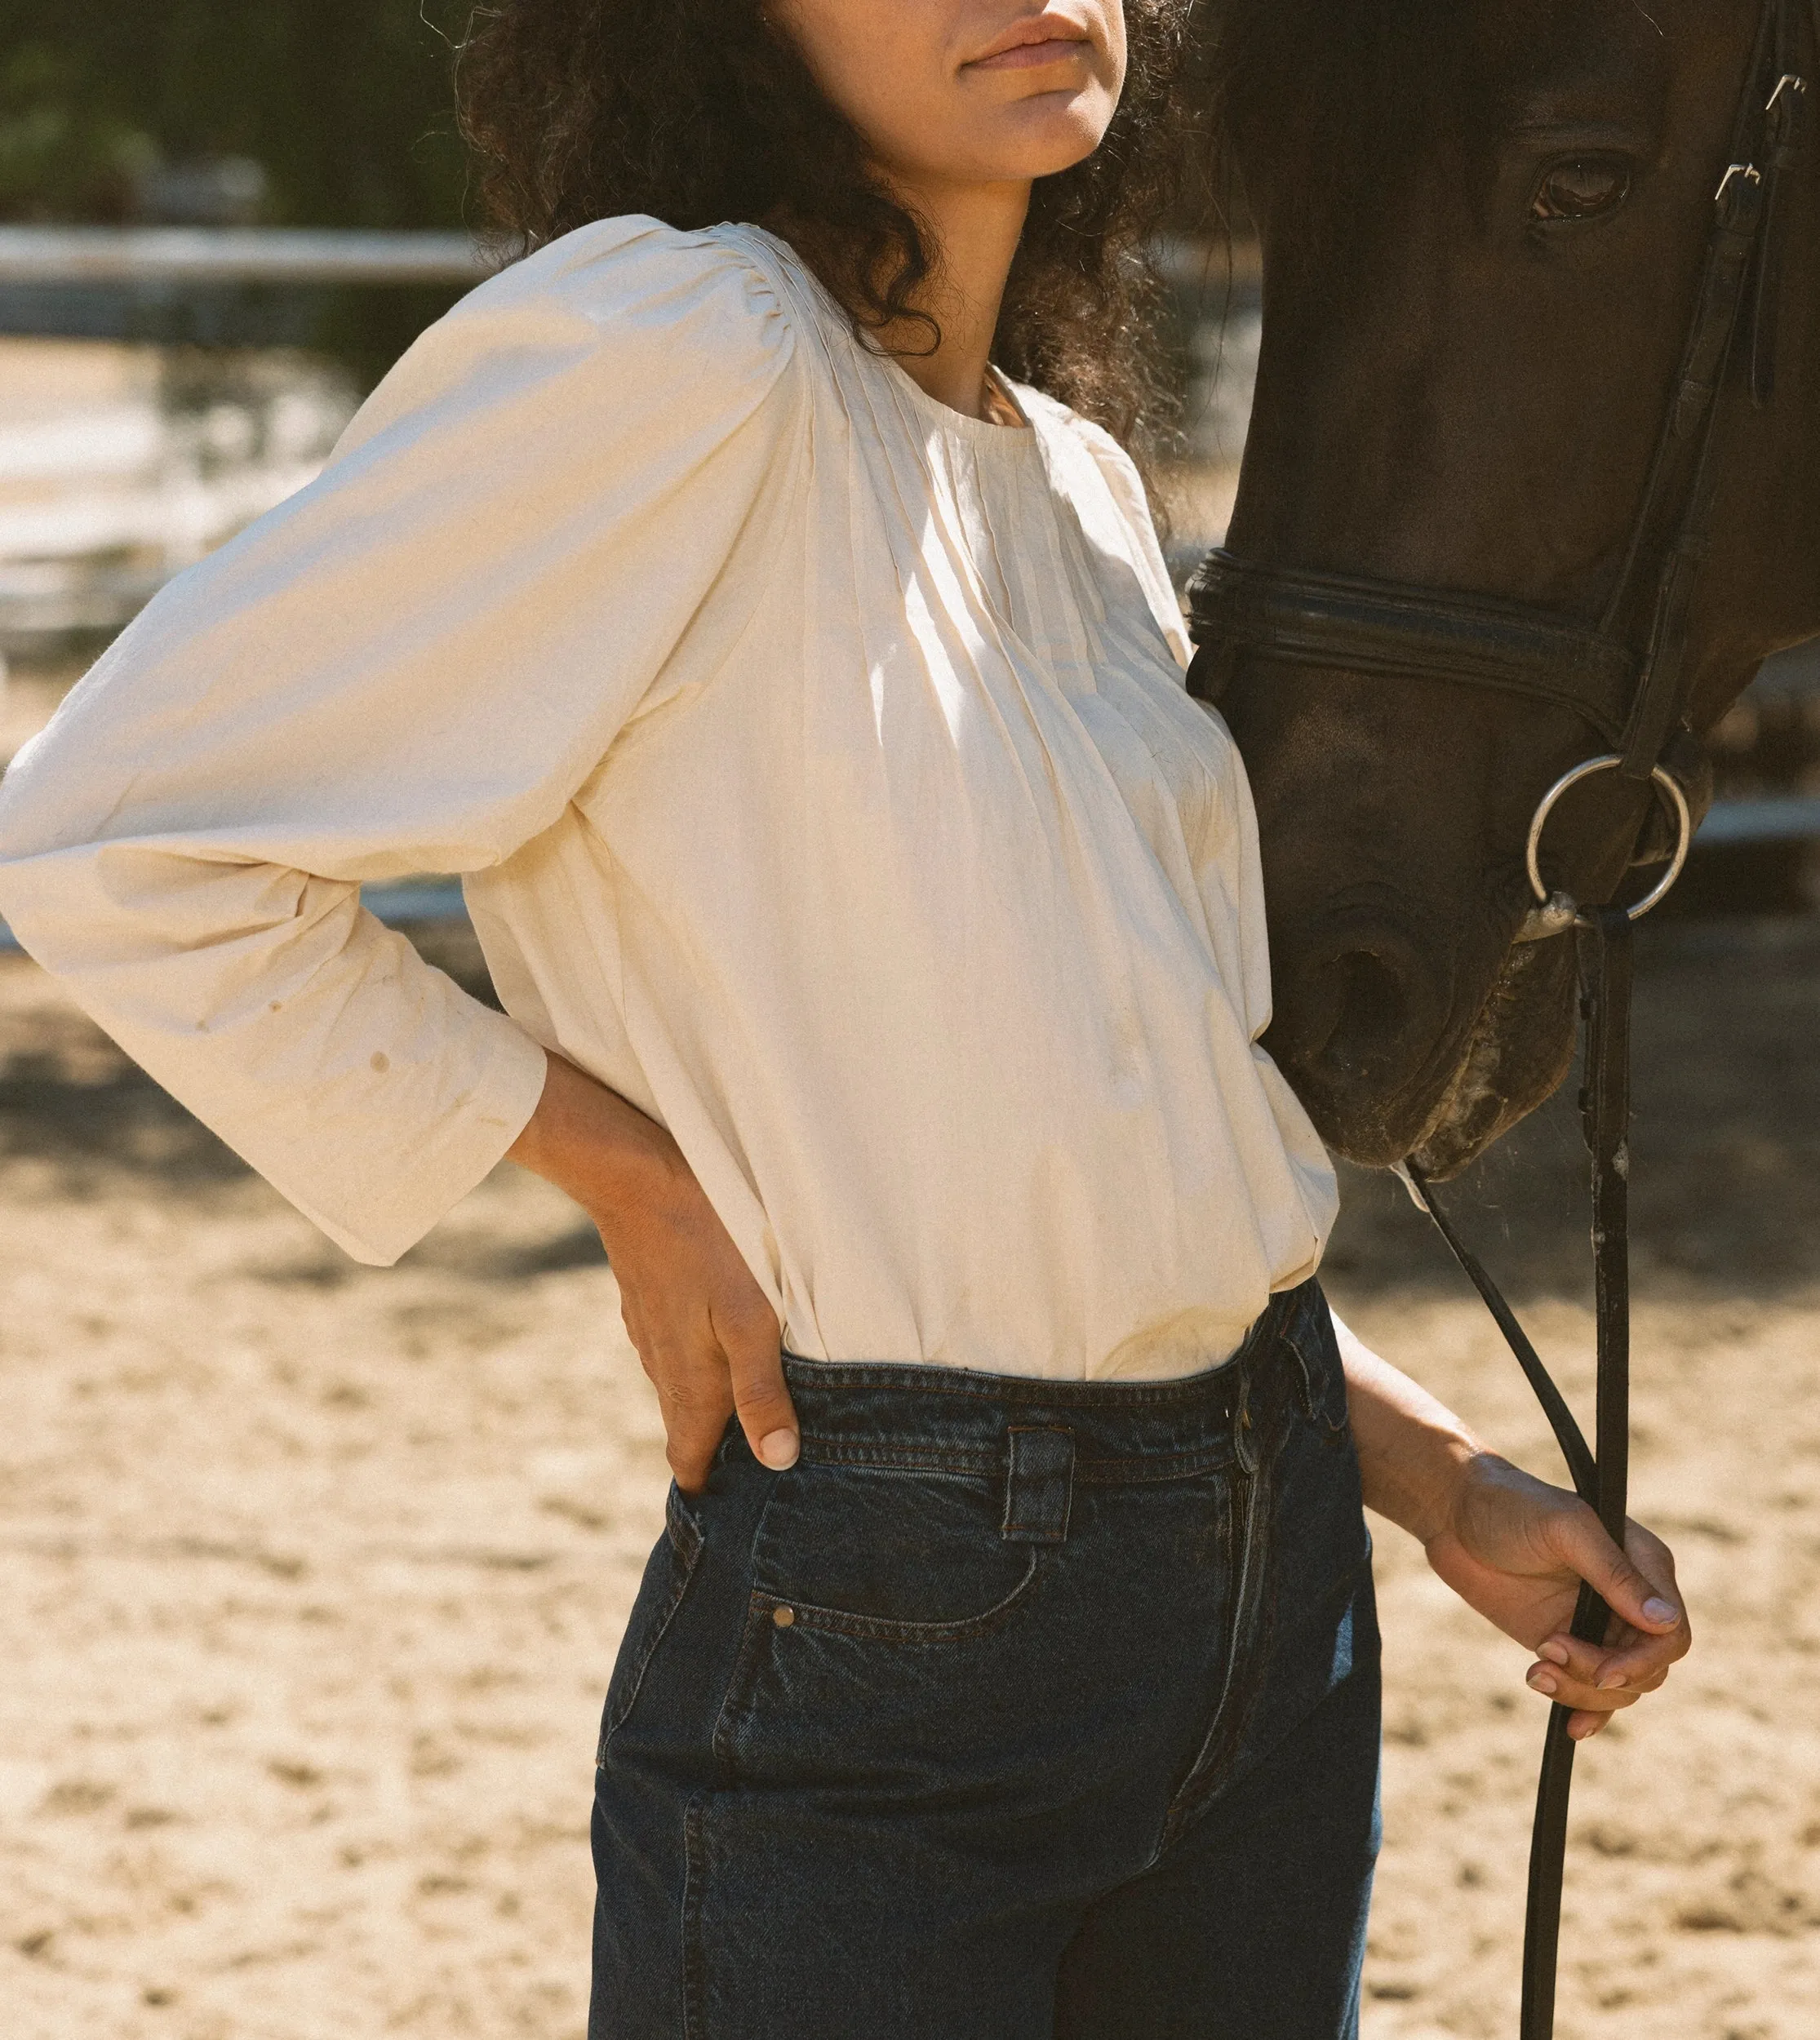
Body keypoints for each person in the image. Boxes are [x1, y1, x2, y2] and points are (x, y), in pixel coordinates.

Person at [0, 4, 1691, 2035]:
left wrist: (1440, 1483)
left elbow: (1100, 1146)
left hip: (1270, 1609)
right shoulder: (676, 348)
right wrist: (615, 1168)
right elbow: (114, 836)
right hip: (888, 1626)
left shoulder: (1068, 476)